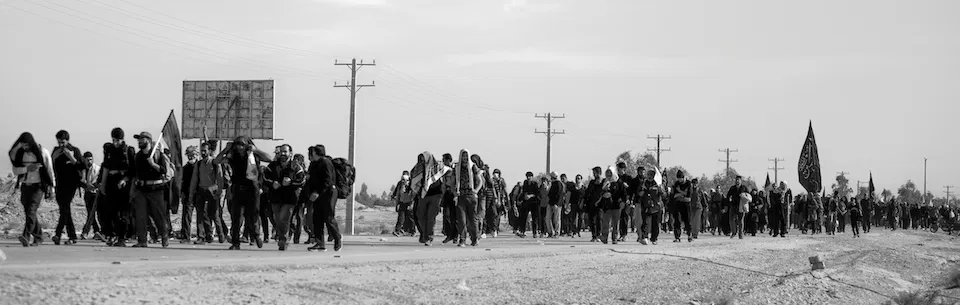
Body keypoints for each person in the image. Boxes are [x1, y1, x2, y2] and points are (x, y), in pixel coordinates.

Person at [215, 136, 272, 250]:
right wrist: (225, 150)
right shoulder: (233, 156)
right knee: (236, 217)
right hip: (237, 188)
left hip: (252, 188)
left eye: (242, 144)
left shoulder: (253, 155)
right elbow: (217, 161)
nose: (240, 147)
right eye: (237, 144)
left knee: (253, 215)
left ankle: (256, 235)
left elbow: (269, 158)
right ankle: (236, 242)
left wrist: (256, 150)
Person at [9, 132, 55, 247]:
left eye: (26, 145)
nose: (25, 148)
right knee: (29, 213)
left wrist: (52, 188)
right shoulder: (20, 154)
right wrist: (27, 168)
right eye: (22, 145)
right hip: (25, 185)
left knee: (31, 211)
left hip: (38, 187)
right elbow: (15, 170)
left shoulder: (42, 153)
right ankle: (39, 236)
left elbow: (49, 170)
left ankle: (26, 236)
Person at [127, 132, 170, 248]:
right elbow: (134, 174)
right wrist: (132, 191)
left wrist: (153, 164)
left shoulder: (158, 155)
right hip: (141, 189)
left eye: (142, 139)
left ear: (149, 141)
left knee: (158, 215)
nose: (139, 141)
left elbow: (163, 171)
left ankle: (164, 236)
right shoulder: (138, 157)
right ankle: (142, 240)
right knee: (141, 215)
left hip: (156, 190)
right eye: (139, 139)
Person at [263, 144, 305, 251]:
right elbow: (264, 178)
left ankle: (283, 239)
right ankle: (284, 235)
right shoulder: (272, 166)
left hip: (290, 198)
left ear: (290, 153)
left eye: (285, 152)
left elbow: (302, 180)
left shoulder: (296, 166)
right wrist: (273, 183)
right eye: (281, 151)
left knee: (284, 218)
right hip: (275, 198)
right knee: (277, 220)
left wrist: (291, 183)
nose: (283, 154)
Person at [99, 128, 137, 247]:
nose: (116, 143)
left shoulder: (128, 151)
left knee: (123, 213)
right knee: (110, 211)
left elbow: (132, 171)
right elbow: (106, 167)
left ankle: (122, 238)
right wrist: (103, 184)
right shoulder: (109, 150)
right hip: (111, 181)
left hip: (124, 184)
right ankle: (111, 235)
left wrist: (125, 180)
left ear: (122, 139)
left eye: (118, 140)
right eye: (114, 140)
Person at [50, 130, 85, 245]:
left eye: (63, 142)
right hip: (59, 184)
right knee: (65, 210)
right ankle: (72, 236)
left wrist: (71, 158)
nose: (61, 145)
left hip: (71, 184)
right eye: (59, 142)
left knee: (65, 208)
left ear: (67, 141)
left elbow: (82, 166)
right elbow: (50, 167)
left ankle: (58, 234)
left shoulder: (74, 151)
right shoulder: (56, 151)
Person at [305, 145, 341, 252]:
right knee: (317, 219)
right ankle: (320, 243)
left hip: (328, 193)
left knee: (329, 218)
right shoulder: (313, 164)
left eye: (312, 153)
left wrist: (318, 192)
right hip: (317, 195)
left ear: (316, 153)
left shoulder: (325, 162)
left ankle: (337, 238)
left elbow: (328, 180)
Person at [411, 152, 450, 246]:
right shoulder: (417, 169)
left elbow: (448, 170)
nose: (422, 160)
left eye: (423, 158)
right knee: (420, 216)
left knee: (430, 217)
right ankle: (424, 234)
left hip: (436, 195)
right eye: (420, 159)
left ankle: (429, 237)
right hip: (423, 195)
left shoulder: (437, 167)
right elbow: (413, 181)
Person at [188, 142, 223, 245]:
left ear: (210, 151)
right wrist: (191, 194)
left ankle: (220, 234)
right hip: (201, 191)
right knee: (200, 214)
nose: (203, 153)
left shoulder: (215, 163)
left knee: (214, 214)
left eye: (205, 150)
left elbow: (220, 179)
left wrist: (219, 192)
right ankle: (202, 236)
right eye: (202, 150)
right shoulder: (198, 164)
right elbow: (194, 180)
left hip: (213, 191)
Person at [454, 149, 483, 247]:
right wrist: (455, 192)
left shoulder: (473, 167)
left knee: (472, 220)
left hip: (471, 196)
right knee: (461, 220)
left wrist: (476, 190)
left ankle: (475, 238)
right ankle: (462, 240)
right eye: (463, 156)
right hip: (461, 195)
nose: (465, 158)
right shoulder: (457, 167)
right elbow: (453, 181)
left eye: (466, 156)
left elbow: (480, 181)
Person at [598, 166, 625, 244]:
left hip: (616, 205)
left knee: (615, 223)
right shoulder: (604, 181)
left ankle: (614, 238)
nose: (608, 175)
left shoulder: (618, 182)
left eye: (610, 173)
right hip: (607, 206)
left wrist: (622, 201)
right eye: (607, 173)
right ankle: (604, 237)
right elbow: (600, 192)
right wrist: (604, 193)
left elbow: (622, 193)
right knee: (606, 222)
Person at [80, 152, 103, 241]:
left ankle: (85, 232)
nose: (89, 161)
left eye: (90, 159)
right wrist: (86, 185)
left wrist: (93, 185)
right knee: (90, 213)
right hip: (87, 193)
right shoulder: (83, 169)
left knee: (92, 213)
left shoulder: (97, 169)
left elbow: (98, 180)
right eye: (87, 160)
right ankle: (97, 231)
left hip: (96, 193)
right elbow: (81, 181)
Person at [637, 169, 664, 245]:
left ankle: (654, 238)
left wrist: (661, 190)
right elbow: (638, 193)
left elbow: (664, 195)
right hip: (646, 206)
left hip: (656, 206)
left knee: (655, 224)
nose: (649, 177)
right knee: (645, 223)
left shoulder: (658, 184)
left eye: (651, 175)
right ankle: (644, 237)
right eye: (648, 175)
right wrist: (641, 192)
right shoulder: (643, 183)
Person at [178, 146, 198, 243]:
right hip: (187, 194)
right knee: (186, 216)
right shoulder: (185, 168)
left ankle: (203, 236)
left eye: (192, 154)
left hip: (199, 194)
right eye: (189, 155)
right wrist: (182, 193)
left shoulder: (200, 166)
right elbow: (182, 182)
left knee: (203, 217)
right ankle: (186, 236)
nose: (191, 157)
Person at [391, 171, 415, 237]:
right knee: (401, 218)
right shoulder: (400, 183)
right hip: (402, 202)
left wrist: (411, 203)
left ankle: (412, 231)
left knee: (410, 218)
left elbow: (413, 192)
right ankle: (397, 231)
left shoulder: (411, 183)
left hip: (409, 203)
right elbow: (397, 191)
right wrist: (393, 196)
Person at [670, 171, 692, 243]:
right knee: (677, 220)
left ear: (683, 178)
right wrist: (682, 194)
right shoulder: (676, 184)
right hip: (678, 204)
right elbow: (674, 195)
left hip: (686, 204)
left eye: (681, 178)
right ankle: (677, 237)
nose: (679, 180)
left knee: (687, 220)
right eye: (678, 178)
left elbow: (688, 195)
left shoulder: (688, 184)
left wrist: (679, 192)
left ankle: (689, 235)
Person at [518, 172, 541, 238]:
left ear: (532, 177)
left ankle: (535, 232)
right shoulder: (525, 183)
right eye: (527, 176)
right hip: (526, 202)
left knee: (534, 218)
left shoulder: (535, 184)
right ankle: (523, 231)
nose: (528, 178)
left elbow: (537, 193)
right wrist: (522, 198)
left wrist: (530, 196)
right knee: (524, 217)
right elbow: (524, 191)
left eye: (530, 176)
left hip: (534, 203)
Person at [546, 172, 564, 238]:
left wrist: (557, 204)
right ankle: (550, 232)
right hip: (550, 203)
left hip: (557, 204)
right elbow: (549, 194)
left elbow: (560, 195)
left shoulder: (559, 184)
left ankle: (557, 232)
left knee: (556, 219)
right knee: (547, 218)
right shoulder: (552, 184)